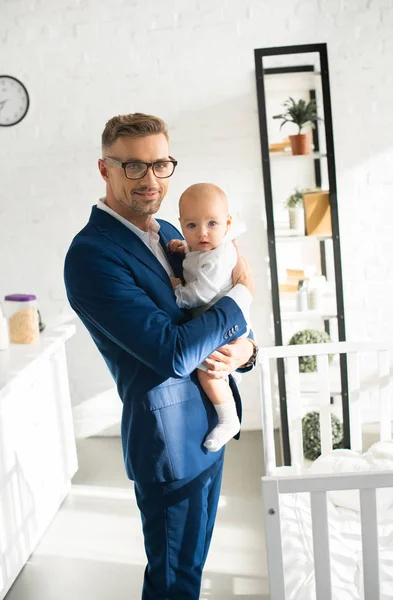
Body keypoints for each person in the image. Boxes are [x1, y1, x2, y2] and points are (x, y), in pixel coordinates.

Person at [64, 113, 257, 600]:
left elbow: (204, 308)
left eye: (160, 164)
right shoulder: (91, 255)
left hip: (211, 424)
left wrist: (247, 349)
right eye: (133, 167)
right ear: (104, 169)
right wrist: (244, 297)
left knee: (191, 566)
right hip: (169, 442)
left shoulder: (174, 229)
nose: (150, 180)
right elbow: (172, 351)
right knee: (175, 582)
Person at [168, 182, 250, 453]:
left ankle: (229, 419)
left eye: (212, 224)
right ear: (181, 224)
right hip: (217, 321)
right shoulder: (204, 247)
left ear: (227, 223)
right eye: (192, 226)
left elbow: (201, 292)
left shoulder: (219, 256)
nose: (202, 233)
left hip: (223, 324)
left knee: (210, 373)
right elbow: (195, 259)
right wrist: (184, 249)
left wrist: (178, 292)